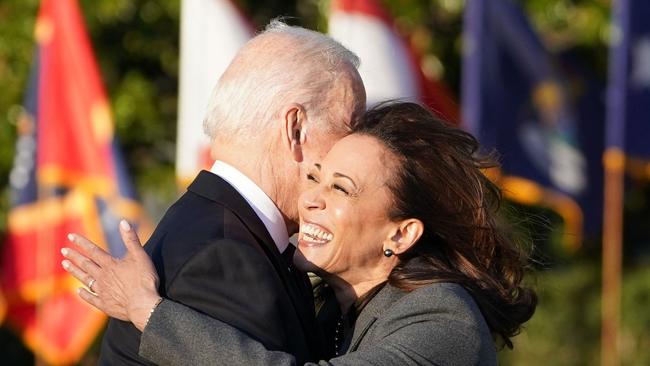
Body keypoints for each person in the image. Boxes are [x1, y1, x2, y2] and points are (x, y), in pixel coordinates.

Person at [62, 102, 537, 365]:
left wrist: (149, 312)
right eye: (315, 178)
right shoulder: (334, 310)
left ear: (403, 233)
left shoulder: (441, 320)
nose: (311, 199)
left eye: (340, 188)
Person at [65, 20, 365, 365]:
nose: (358, 149)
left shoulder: (229, 234)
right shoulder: (221, 257)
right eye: (352, 128)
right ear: (295, 129)